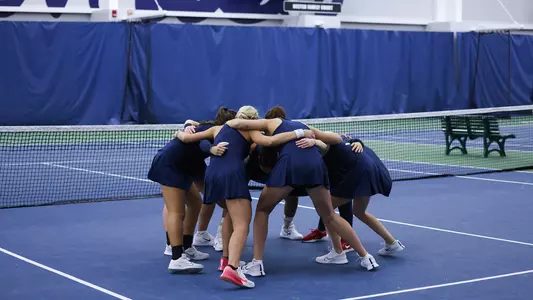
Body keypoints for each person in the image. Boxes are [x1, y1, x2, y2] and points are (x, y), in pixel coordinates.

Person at [226, 106, 378, 278]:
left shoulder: (271, 123)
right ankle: (366, 257)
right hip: (315, 165)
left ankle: (257, 264)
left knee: (262, 210)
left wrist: (230, 123)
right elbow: (336, 138)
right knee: (329, 215)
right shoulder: (303, 125)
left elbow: (239, 124)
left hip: (291, 163)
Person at [176, 106, 315, 288]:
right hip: (232, 174)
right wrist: (298, 133)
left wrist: (180, 131)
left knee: (228, 214)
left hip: (212, 175)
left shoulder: (218, 128)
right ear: (253, 119)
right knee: (242, 223)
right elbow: (270, 142)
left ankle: (225, 260)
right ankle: (233, 268)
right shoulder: (251, 129)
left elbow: (187, 138)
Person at [149, 107, 237, 274]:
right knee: (176, 211)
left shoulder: (211, 128)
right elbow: (202, 143)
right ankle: (176, 257)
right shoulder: (215, 133)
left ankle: (187, 246)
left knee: (196, 202)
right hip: (170, 165)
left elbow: (192, 124)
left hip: (186, 166)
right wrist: (211, 150)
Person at [295, 135, 404, 265]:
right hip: (372, 172)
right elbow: (346, 140)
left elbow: (330, 144)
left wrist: (314, 142)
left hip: (361, 174)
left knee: (327, 212)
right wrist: (357, 142)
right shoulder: (339, 144)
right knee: (359, 211)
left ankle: (337, 252)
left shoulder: (329, 148)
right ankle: (391, 242)